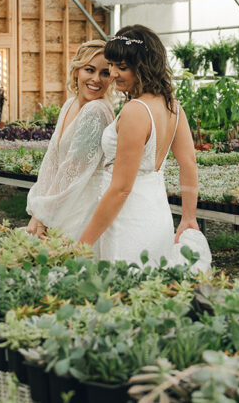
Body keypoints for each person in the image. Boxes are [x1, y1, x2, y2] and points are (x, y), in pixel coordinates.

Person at [77, 25, 209, 270]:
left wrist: (84, 243)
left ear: (145, 66)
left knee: (123, 287)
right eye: (112, 65)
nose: (113, 73)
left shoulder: (136, 111)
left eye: (123, 67)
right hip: (155, 211)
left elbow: (121, 189)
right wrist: (188, 216)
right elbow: (188, 163)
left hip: (127, 217)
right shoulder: (172, 106)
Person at [25, 40, 115, 241]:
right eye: (89, 70)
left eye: (105, 73)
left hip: (82, 203)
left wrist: (44, 216)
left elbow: (74, 169)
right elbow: (52, 160)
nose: (96, 79)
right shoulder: (69, 104)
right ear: (76, 71)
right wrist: (38, 208)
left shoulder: (96, 111)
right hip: (62, 201)